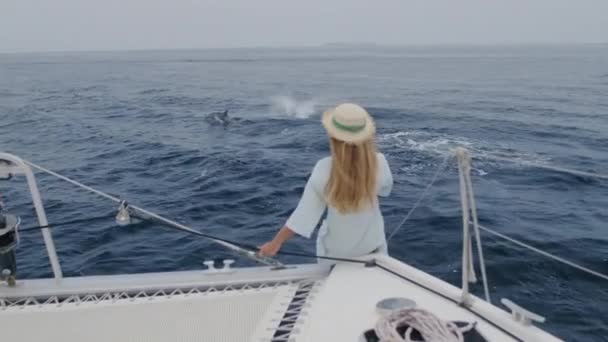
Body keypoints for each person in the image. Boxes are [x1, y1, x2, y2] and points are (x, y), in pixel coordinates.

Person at [258, 103, 393, 261]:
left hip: (335, 256)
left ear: (332, 137)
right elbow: (385, 190)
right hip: (374, 252)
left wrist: (275, 244)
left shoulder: (323, 169)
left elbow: (303, 217)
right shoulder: (380, 162)